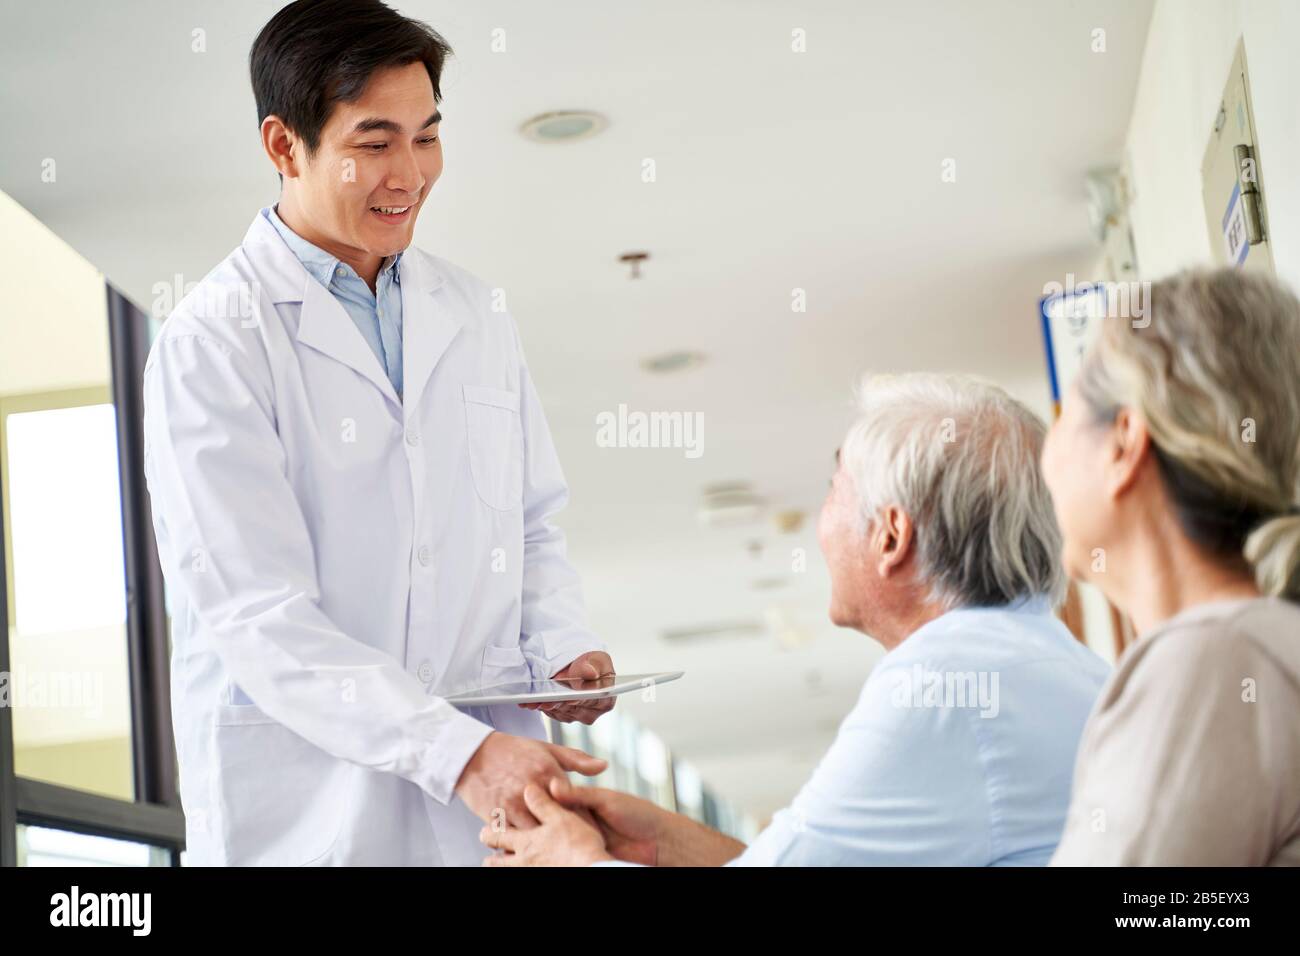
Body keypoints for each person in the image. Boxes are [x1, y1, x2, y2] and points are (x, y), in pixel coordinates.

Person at [142, 0, 613, 866]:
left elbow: (530, 522)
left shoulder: (474, 312)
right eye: (374, 142)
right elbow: (259, 612)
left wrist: (559, 645)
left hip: (487, 811)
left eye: (427, 136)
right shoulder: (214, 341)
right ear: (285, 145)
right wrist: (457, 754)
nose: (411, 173)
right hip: (313, 814)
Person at [480, 373, 1110, 866]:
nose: (822, 519)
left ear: (891, 536)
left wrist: (574, 861)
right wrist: (661, 850)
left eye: (835, 487)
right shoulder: (1043, 657)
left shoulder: (941, 683)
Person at [1042, 268, 1300, 865]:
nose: (1047, 459)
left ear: (1124, 442)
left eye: (1067, 417)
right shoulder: (1248, 644)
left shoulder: (1214, 659)